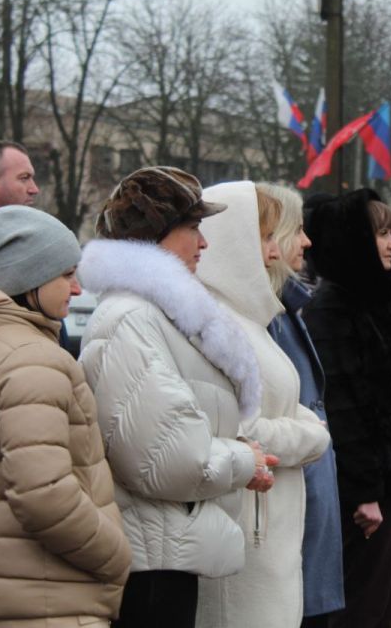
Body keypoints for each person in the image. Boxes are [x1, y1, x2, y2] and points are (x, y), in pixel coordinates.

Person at [78, 167, 277, 628]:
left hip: (167, 549)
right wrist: (245, 459)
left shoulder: (155, 314)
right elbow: (166, 457)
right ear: (156, 235)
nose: (203, 243)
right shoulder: (130, 318)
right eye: (192, 228)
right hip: (151, 562)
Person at [0, 205, 132, 626]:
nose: (77, 288)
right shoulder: (33, 359)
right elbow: (43, 495)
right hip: (49, 599)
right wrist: (115, 554)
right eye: (65, 275)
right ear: (30, 278)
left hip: (1, 588)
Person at [194, 181, 331, 628]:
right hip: (247, 532)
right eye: (268, 236)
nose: (276, 251)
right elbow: (240, 430)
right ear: (236, 240)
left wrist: (301, 425)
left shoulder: (251, 319)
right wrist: (312, 434)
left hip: (271, 532)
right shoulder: (218, 326)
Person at [304, 188, 391, 628]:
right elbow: (342, 410)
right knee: (361, 607)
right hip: (368, 496)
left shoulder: (381, 305)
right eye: (381, 233)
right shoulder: (329, 310)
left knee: (388, 603)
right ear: (352, 240)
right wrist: (364, 491)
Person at [259, 183, 345, 627]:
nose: (306, 242)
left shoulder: (288, 309)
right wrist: (313, 435)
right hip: (288, 507)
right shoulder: (262, 320)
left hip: (311, 502)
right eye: (296, 230)